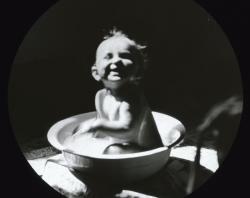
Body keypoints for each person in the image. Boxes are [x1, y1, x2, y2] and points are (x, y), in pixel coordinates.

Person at [70, 28, 163, 155]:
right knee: (82, 137)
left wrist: (97, 125)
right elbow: (105, 131)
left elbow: (127, 129)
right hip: (124, 148)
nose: (116, 61)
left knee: (112, 150)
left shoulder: (132, 97)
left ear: (138, 70)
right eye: (108, 57)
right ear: (95, 72)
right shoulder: (100, 96)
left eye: (125, 56)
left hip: (149, 154)